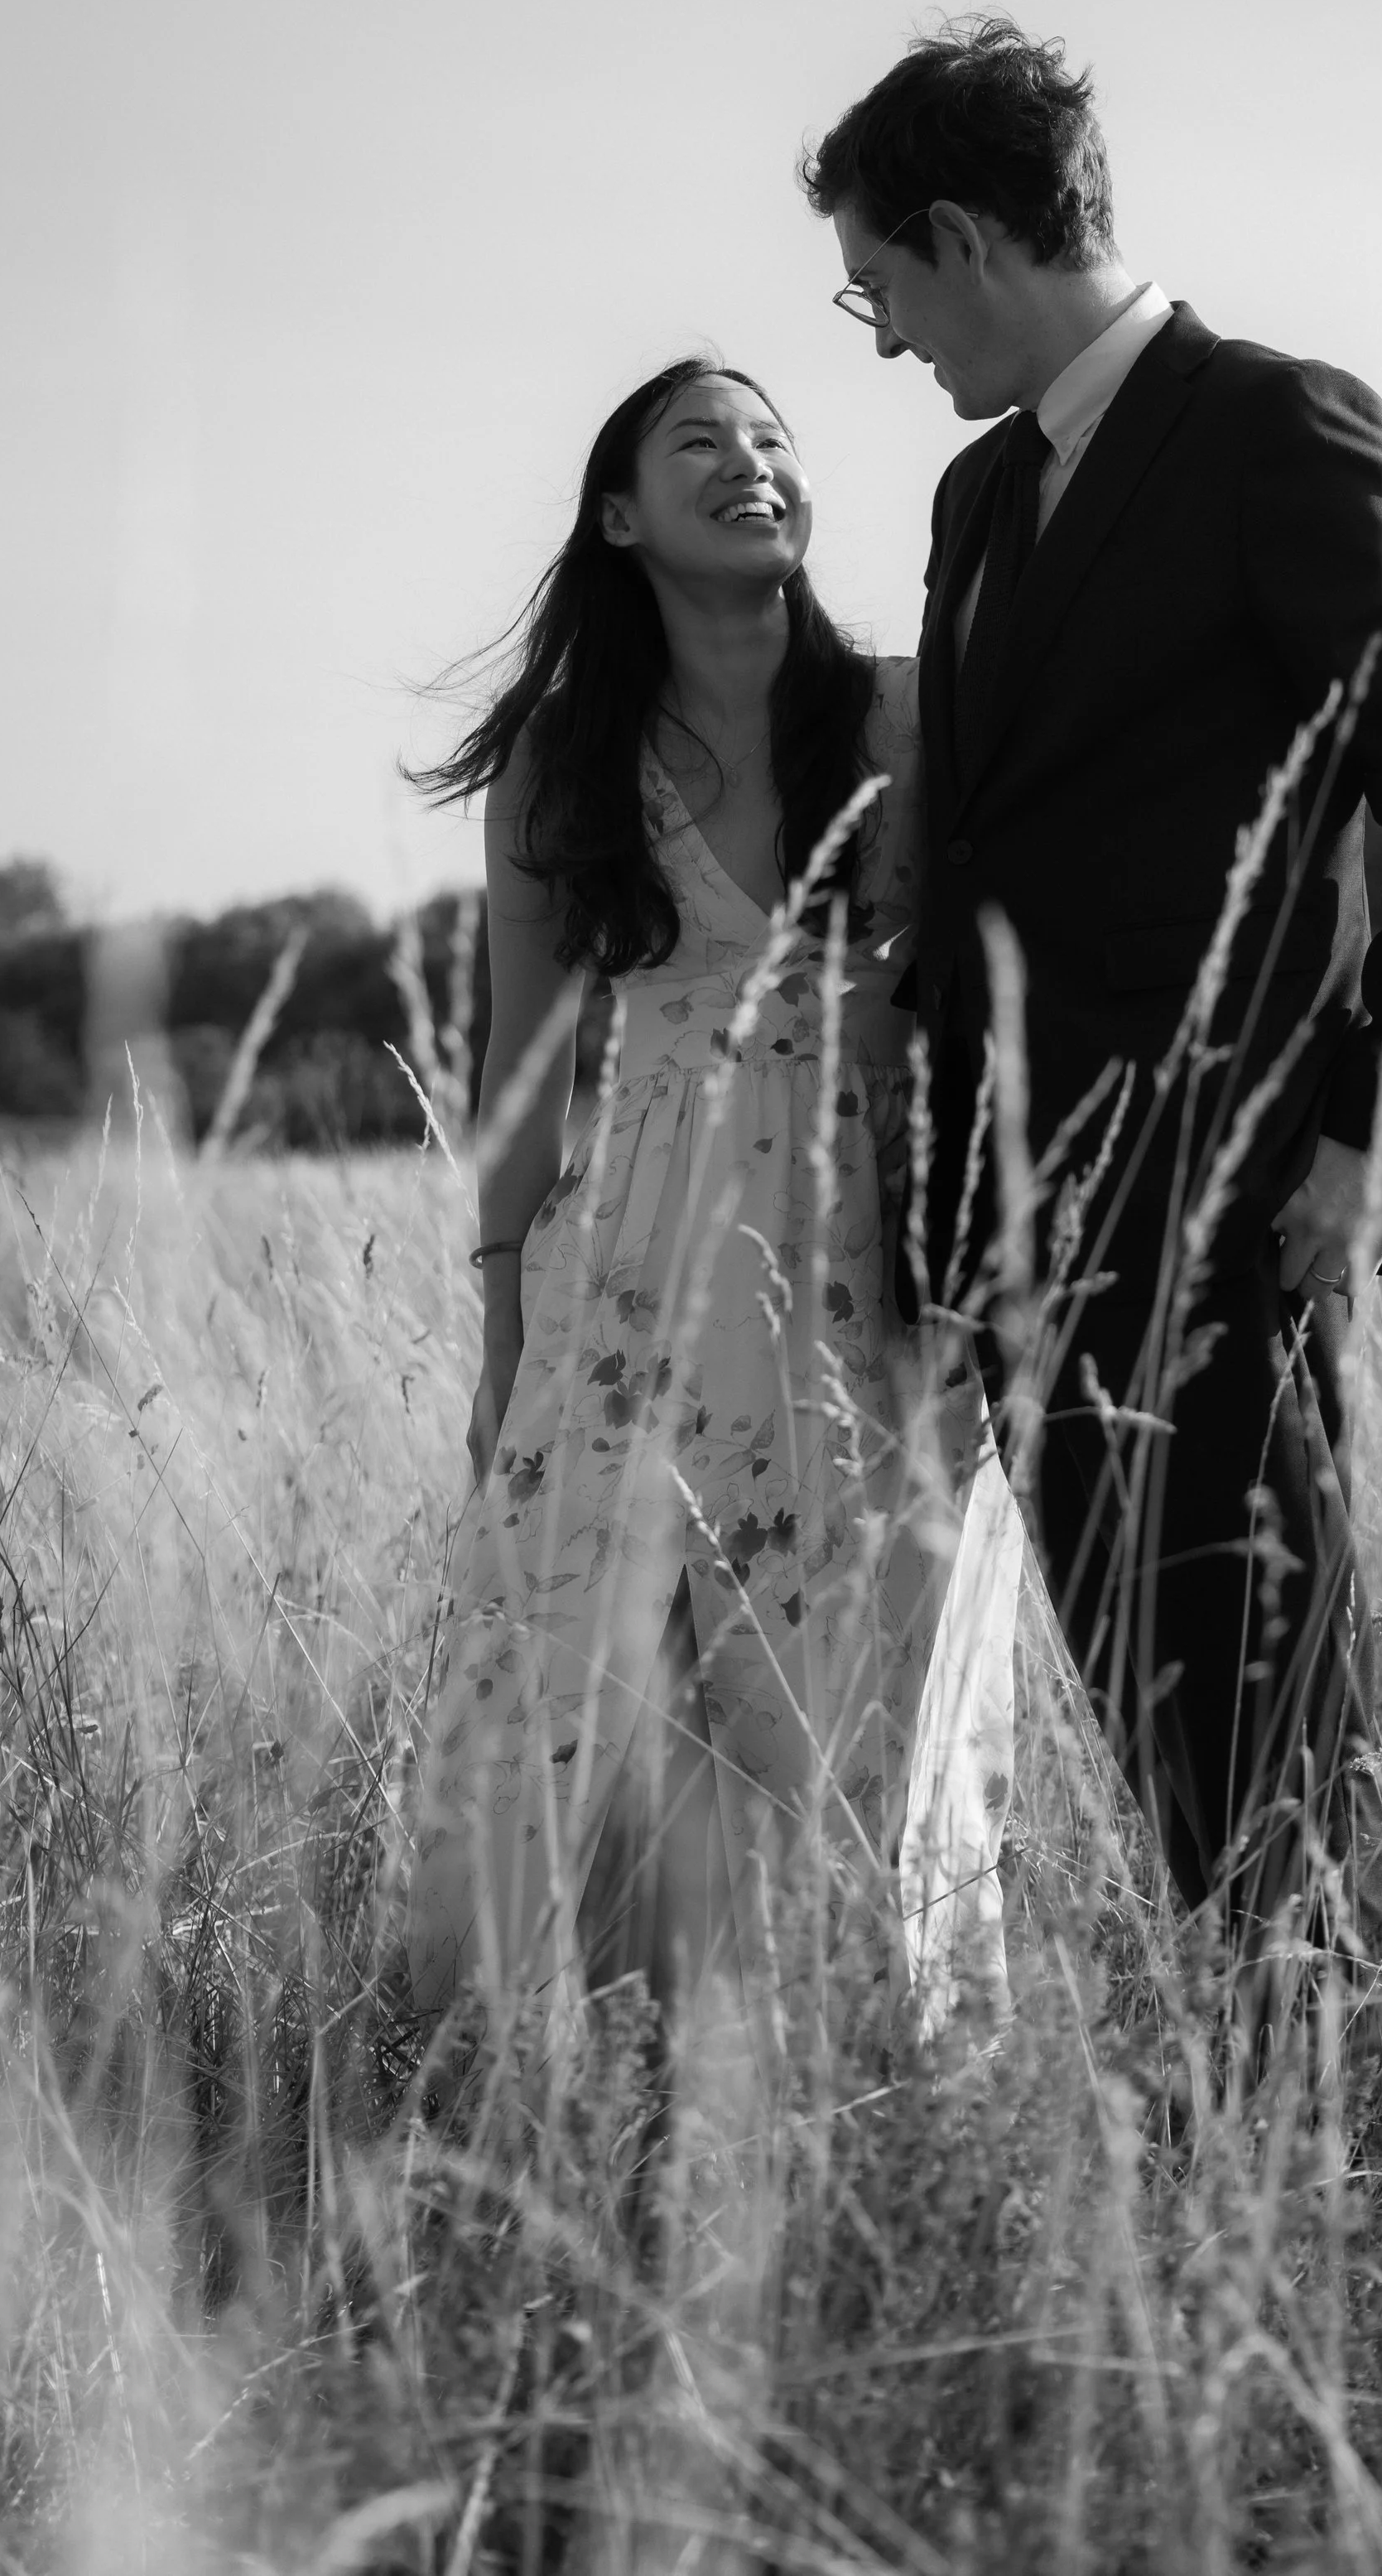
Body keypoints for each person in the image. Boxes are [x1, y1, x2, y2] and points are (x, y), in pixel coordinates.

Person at [802, 17, 1382, 1939]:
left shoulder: (1278, 426)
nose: (879, 339)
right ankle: (1245, 2084)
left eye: (877, 285)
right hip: (1008, 1227)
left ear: (964, 238)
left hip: (1226, 1206)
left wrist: (1378, 1136)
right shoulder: (978, 499)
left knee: (1259, 1736)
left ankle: (1326, 2097)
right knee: (1158, 1749)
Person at [404, 359, 1016, 2046]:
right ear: (619, 516)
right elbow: (522, 1063)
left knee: (870, 1672)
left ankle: (874, 2073)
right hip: (638, 1259)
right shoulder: (562, 759)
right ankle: (586, 2062)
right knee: (581, 1671)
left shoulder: (908, 713)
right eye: (701, 443)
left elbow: (998, 963)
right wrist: (501, 1330)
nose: (751, 463)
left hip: (876, 1238)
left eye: (772, 440)